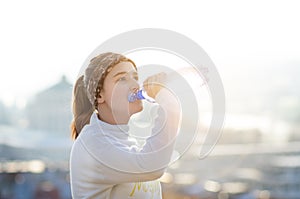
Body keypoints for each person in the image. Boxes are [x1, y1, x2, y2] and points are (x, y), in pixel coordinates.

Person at [69, 52, 180, 199]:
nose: (135, 85)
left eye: (135, 77)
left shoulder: (126, 142)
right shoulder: (93, 145)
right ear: (99, 95)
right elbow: (153, 166)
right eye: (122, 79)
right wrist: (167, 101)